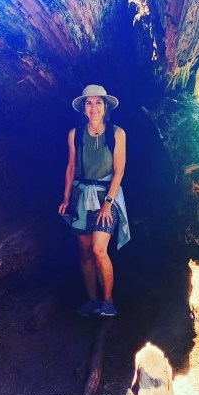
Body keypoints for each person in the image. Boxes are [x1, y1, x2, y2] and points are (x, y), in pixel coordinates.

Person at [58, 84, 130, 317]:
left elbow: (119, 171)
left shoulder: (117, 133)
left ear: (105, 106)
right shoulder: (75, 134)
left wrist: (108, 203)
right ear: (84, 108)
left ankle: (108, 302)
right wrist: (66, 197)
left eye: (98, 102)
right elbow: (71, 167)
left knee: (99, 249)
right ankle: (92, 300)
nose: (94, 107)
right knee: (85, 252)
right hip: (81, 196)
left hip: (106, 195)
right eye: (89, 103)